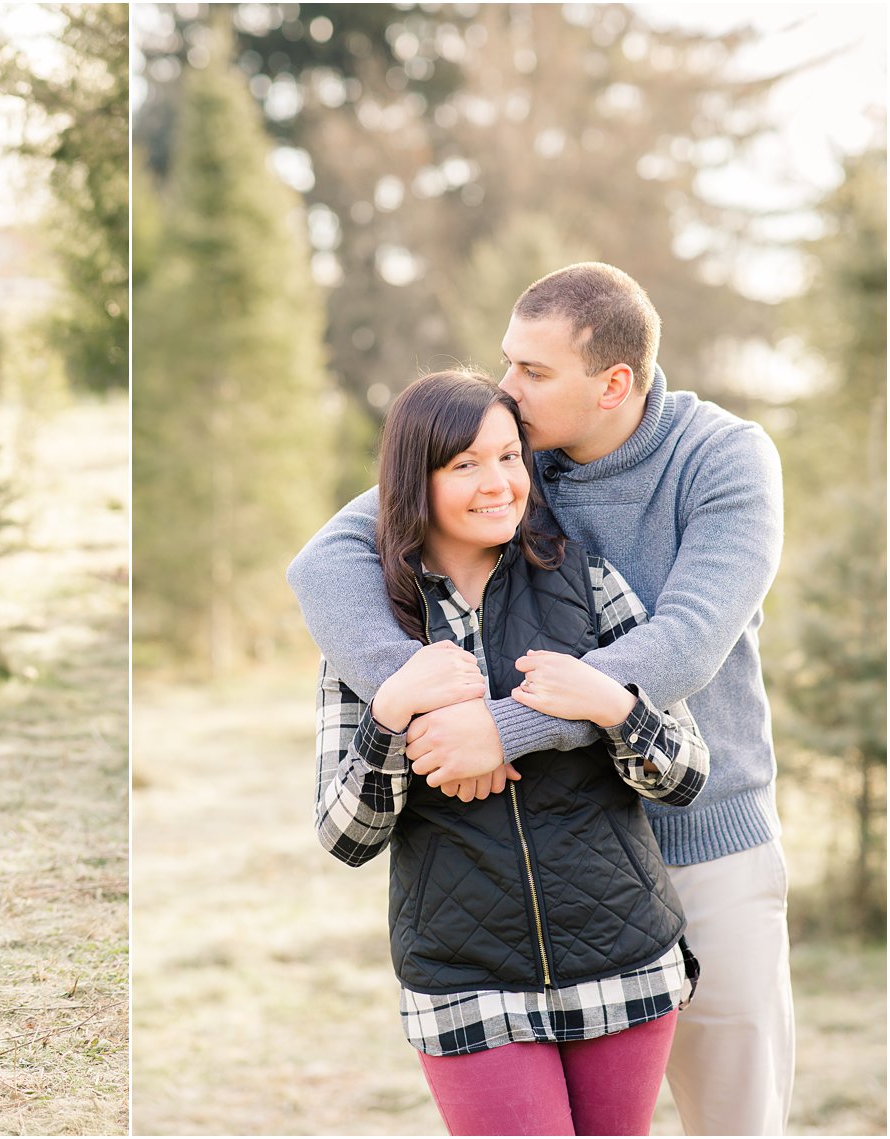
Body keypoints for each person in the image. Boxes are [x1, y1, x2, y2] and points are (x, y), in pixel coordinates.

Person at [290, 263, 791, 1134]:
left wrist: (499, 727)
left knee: (737, 1118)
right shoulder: (515, 462)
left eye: (532, 371)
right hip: (562, 847)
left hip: (705, 832)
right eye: (506, 362)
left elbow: (680, 647)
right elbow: (327, 559)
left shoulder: (724, 458)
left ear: (614, 383)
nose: (507, 391)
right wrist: (420, 701)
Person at [314, 370, 707, 1135]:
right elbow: (344, 835)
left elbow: (687, 771)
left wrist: (613, 706)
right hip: (464, 978)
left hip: (622, 957)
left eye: (509, 457)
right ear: (412, 481)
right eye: (465, 465)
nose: (498, 484)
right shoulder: (373, 626)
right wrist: (394, 707)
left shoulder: (589, 585)